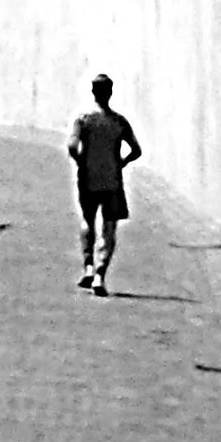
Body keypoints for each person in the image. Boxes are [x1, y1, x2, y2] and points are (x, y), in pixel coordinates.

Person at [68, 73, 143, 292]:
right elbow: (136, 150)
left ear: (93, 92)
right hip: (112, 182)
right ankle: (100, 275)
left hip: (88, 179)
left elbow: (72, 145)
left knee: (87, 220)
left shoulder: (83, 119)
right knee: (109, 227)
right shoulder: (119, 121)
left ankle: (88, 266)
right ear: (110, 92)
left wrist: (81, 160)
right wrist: (122, 162)